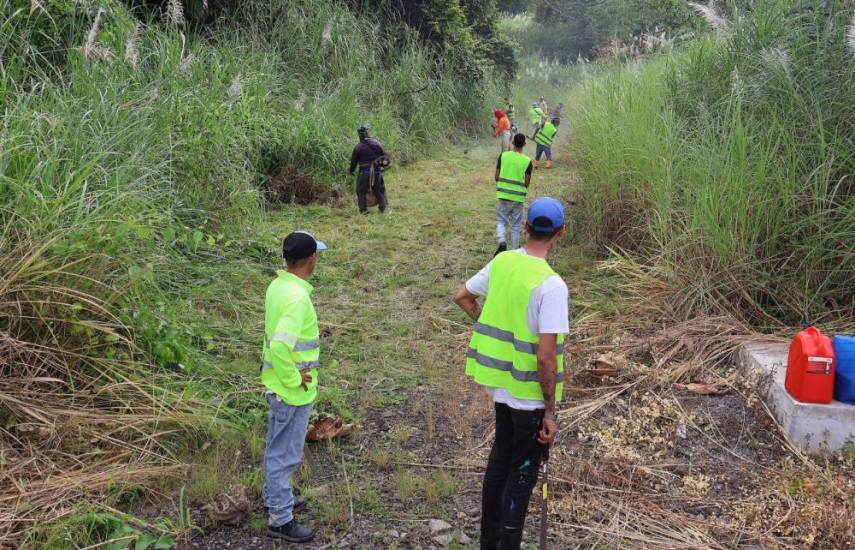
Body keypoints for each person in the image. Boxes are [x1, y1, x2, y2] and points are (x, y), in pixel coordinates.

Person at [453, 197, 569, 550]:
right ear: (560, 233)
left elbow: (463, 296)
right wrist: (549, 411)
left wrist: (485, 322)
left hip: (500, 387)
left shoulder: (502, 262)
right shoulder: (552, 286)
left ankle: (490, 542)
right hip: (529, 398)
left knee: (499, 461)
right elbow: (546, 359)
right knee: (520, 477)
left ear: (526, 227)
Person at [262, 231, 328, 543]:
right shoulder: (297, 298)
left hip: (280, 387)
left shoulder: (279, 285)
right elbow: (279, 346)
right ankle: (280, 517)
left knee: (279, 449)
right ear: (311, 259)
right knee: (284, 455)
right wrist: (294, 379)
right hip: (290, 392)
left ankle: (277, 498)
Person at [494, 133, 533, 255]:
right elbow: (527, 183)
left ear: (512, 143)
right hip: (518, 197)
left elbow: (496, 176)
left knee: (501, 220)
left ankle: (502, 240)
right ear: (524, 145)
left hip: (503, 194)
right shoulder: (527, 161)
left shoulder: (503, 156)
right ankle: (515, 250)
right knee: (516, 225)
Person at [348, 124, 389, 214]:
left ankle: (363, 210)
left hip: (364, 172)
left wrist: (351, 171)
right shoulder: (377, 143)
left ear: (359, 135)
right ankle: (382, 208)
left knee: (361, 190)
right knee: (378, 189)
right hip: (377, 171)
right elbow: (385, 158)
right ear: (367, 133)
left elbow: (353, 162)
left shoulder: (358, 147)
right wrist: (381, 166)